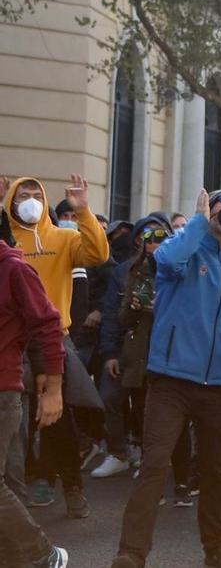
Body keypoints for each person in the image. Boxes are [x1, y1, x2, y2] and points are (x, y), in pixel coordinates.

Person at [109, 188, 221, 568]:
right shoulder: (183, 251)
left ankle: (216, 548)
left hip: (217, 384)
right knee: (154, 465)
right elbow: (166, 259)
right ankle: (131, 553)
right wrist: (199, 223)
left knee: (217, 470)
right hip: (170, 380)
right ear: (207, 211)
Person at [2, 175, 108, 519]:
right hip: (13, 342)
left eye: (36, 194)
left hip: (52, 336)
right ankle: (26, 489)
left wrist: (83, 211)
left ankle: (73, 487)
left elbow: (97, 252)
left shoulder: (63, 237)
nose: (30, 200)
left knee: (58, 418)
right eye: (23, 195)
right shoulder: (8, 241)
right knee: (16, 423)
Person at [93, 215, 195, 507]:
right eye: (147, 237)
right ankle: (153, 481)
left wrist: (160, 307)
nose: (153, 243)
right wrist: (137, 307)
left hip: (173, 353)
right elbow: (119, 316)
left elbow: (190, 311)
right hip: (140, 356)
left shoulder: (179, 268)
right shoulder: (131, 270)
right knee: (146, 417)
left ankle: (184, 482)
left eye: (160, 236)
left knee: (178, 419)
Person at [0, 207, 70, 567]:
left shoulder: (14, 268)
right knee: (9, 482)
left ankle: (43, 556)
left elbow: (47, 324)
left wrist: (53, 389)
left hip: (3, 391)